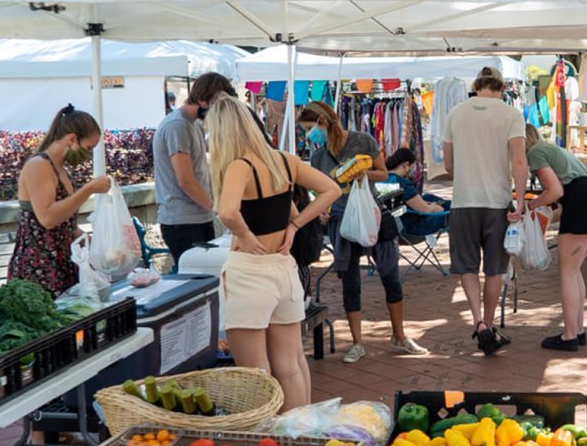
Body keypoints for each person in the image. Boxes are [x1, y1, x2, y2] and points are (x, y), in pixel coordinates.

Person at [206, 95, 340, 411]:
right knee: (291, 364)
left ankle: (268, 445)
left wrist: (244, 234)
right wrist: (295, 226)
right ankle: (300, 434)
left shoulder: (239, 166)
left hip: (249, 272)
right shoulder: (284, 160)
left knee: (256, 373)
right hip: (284, 270)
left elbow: (227, 211)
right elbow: (332, 189)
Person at [298, 102, 429, 363]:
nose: (309, 135)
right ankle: (357, 343)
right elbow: (318, 191)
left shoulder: (363, 140)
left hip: (372, 216)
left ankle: (399, 335)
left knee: (391, 275)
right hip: (341, 221)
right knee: (350, 281)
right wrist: (322, 210)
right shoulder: (318, 156)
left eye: (311, 129)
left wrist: (362, 174)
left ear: (324, 122)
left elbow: (383, 173)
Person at [442, 67, 528, 355]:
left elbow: (449, 165)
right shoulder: (510, 115)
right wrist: (520, 198)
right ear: (501, 88)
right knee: (495, 267)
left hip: (464, 200)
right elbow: (519, 161)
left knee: (466, 266)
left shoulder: (456, 112)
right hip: (497, 201)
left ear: (477, 86)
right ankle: (488, 326)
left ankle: (477, 320)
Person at [522, 126, 587, 351]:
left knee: (568, 272)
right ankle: (577, 330)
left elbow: (555, 191)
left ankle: (569, 334)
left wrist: (528, 206)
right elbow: (562, 195)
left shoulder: (535, 153)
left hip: (582, 201)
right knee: (574, 270)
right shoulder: (552, 149)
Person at [9, 105, 111, 296]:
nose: (89, 155)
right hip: (39, 267)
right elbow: (48, 218)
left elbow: (67, 226)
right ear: (72, 139)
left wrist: (100, 246)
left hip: (62, 263)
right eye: (89, 148)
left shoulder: (61, 169)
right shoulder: (39, 166)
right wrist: (89, 189)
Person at [153, 72, 233, 267]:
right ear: (201, 100)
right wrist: (217, 209)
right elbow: (186, 180)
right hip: (182, 221)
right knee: (196, 277)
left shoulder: (193, 125)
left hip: (198, 217)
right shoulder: (177, 126)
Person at [384, 147, 450, 237]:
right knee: (454, 215)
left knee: (428, 197)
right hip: (409, 228)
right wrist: (435, 208)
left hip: (389, 224)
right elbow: (425, 210)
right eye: (411, 167)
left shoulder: (383, 178)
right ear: (406, 165)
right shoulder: (403, 183)